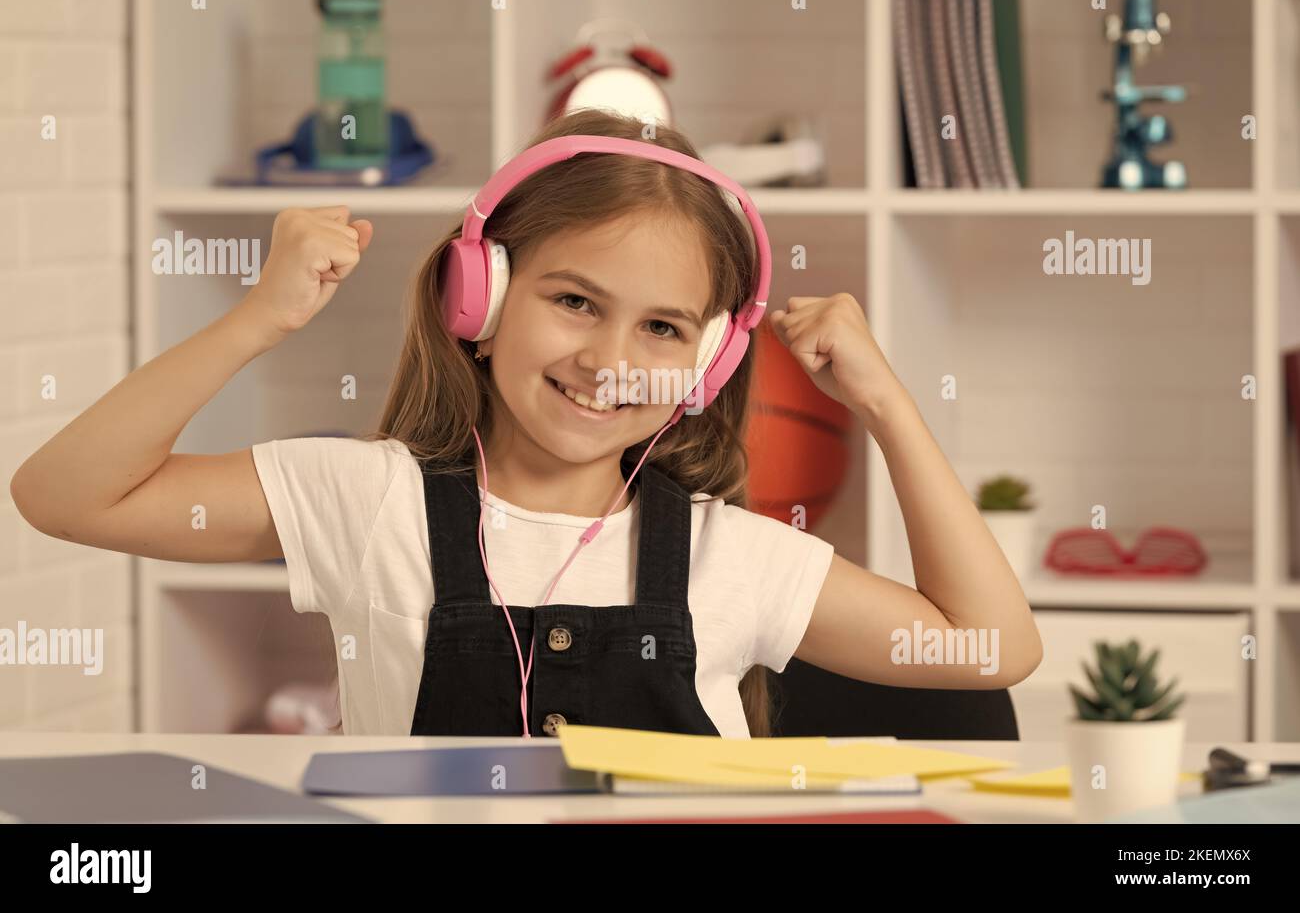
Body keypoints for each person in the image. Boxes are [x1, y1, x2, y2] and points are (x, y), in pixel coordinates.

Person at [10, 109, 1042, 739]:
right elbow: (64, 494)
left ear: (712, 359)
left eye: (662, 326)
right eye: (574, 301)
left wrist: (885, 403)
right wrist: (259, 317)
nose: (607, 362)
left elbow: (989, 646)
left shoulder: (737, 557)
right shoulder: (368, 501)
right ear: (483, 299)